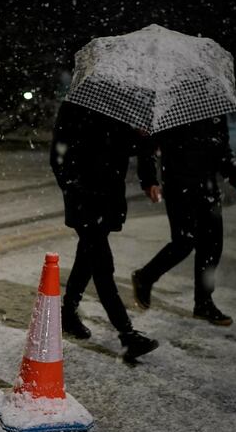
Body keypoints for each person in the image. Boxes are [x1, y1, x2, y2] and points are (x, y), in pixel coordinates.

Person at [50, 101, 159, 364]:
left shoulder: (121, 108)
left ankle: (67, 313)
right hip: (83, 198)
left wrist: (146, 145)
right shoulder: (76, 104)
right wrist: (72, 186)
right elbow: (58, 154)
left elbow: (125, 145)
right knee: (102, 264)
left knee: (87, 258)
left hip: (108, 198)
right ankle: (126, 334)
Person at [133, 115, 236, 326]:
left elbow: (223, 151)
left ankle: (203, 302)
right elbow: (148, 145)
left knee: (212, 245)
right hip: (178, 186)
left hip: (207, 187)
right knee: (184, 242)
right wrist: (149, 181)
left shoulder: (213, 110)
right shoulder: (172, 105)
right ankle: (145, 277)